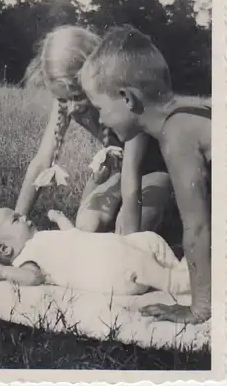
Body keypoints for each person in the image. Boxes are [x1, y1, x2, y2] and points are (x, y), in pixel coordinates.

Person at [80, 24, 211, 324]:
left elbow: (198, 227)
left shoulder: (176, 134)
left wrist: (199, 308)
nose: (98, 118)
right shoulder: (189, 112)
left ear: (127, 99)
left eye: (99, 107)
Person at [15, 25, 176, 241]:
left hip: (160, 170)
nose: (71, 108)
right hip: (120, 173)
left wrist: (128, 243)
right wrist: (16, 221)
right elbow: (42, 161)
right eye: (63, 100)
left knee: (131, 228)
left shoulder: (122, 100)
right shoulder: (67, 101)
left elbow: (132, 172)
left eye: (77, 96)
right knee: (86, 225)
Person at [0, 206, 190, 296]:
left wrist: (61, 220)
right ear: (5, 249)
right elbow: (32, 277)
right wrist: (2, 272)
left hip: (116, 248)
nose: (24, 216)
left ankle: (175, 266)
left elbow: (73, 237)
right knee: (138, 263)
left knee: (149, 239)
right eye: (16, 220)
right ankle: (177, 283)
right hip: (112, 270)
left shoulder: (40, 240)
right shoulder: (26, 258)